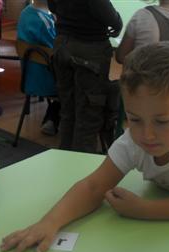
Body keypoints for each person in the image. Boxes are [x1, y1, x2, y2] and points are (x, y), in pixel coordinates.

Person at [1, 42, 169, 252]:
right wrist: (50, 222)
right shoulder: (134, 140)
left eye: (162, 121)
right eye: (134, 119)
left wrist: (143, 209)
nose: (146, 134)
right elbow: (94, 186)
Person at [48, 0, 123, 153]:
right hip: (89, 50)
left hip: (62, 45)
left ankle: (64, 160)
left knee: (67, 112)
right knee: (88, 119)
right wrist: (118, 23)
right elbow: (109, 16)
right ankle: (80, 165)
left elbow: (52, 6)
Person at [17, 0, 61, 136]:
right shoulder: (45, 22)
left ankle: (52, 117)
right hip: (47, 82)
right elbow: (57, 50)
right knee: (76, 80)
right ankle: (54, 118)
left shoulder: (25, 13)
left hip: (29, 78)